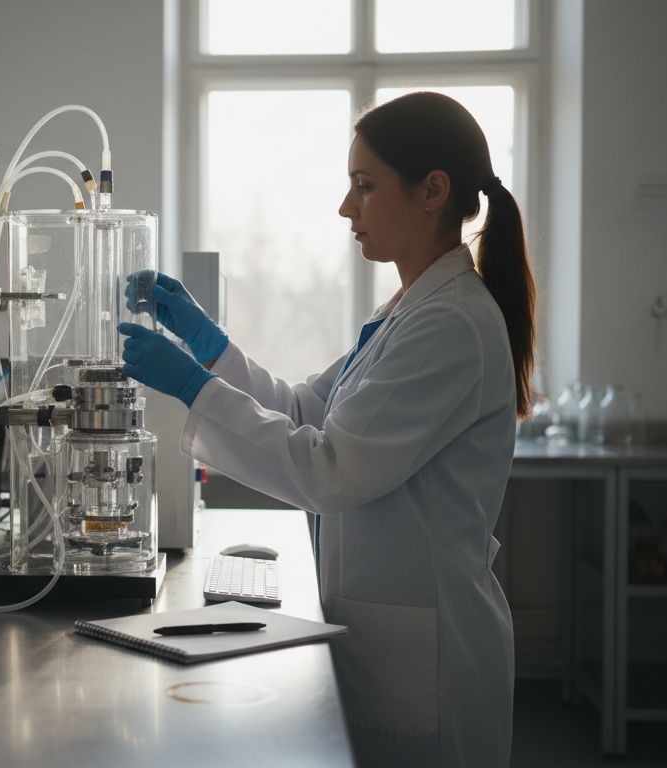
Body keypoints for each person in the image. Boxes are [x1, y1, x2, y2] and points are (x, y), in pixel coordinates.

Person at [118, 91, 535, 767]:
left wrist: (194, 388)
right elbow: (309, 411)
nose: (348, 208)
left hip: (428, 649)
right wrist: (209, 346)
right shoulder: (412, 309)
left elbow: (328, 470)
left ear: (433, 191)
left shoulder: (451, 323)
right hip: (393, 630)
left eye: (365, 187)